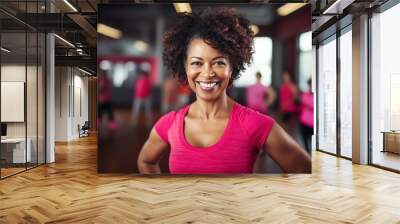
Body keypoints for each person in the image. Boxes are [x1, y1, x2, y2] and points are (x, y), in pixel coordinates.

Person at [138, 9, 311, 174]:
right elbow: (146, 161)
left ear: (232, 68)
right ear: (185, 68)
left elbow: (304, 169)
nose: (207, 73)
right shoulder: (168, 124)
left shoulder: (255, 124)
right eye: (197, 63)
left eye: (219, 63)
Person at [299, 78, 314, 154]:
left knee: (313, 143)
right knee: (305, 143)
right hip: (304, 122)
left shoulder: (318, 95)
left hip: (313, 124)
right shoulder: (305, 95)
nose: (311, 86)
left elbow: (312, 105)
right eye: (310, 84)